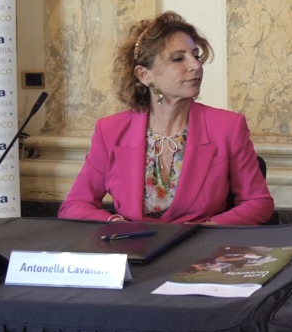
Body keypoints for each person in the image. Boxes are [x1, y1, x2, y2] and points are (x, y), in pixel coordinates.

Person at [59, 11, 275, 225]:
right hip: (133, 243)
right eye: (178, 58)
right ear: (144, 75)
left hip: (201, 244)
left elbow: (258, 203)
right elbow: (75, 205)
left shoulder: (228, 127)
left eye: (196, 55)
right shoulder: (110, 130)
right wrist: (116, 223)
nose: (195, 65)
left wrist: (208, 228)